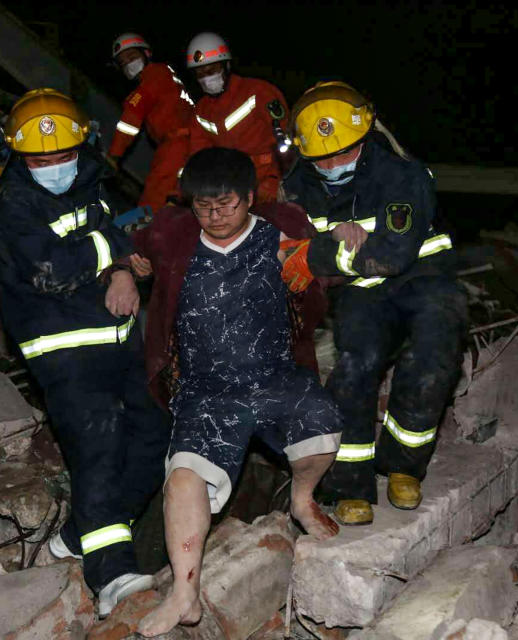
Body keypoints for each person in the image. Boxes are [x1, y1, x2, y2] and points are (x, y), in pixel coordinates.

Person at [127, 147, 342, 636]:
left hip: (276, 376)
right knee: (182, 480)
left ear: (250, 198)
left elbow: (331, 267)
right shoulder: (172, 232)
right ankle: (185, 595)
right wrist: (122, 271)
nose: (214, 216)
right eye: (203, 206)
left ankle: (302, 498)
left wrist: (340, 244)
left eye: (225, 205)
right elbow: (130, 248)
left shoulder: (282, 228)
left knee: (324, 430)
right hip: (207, 391)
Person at [0, 89, 170, 618]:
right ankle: (112, 574)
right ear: (19, 155)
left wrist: (125, 270)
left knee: (156, 433)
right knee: (100, 446)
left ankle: (79, 535)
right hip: (63, 352)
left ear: (81, 148)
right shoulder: (10, 208)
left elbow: (105, 239)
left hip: (117, 338)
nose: (55, 166)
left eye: (63, 155)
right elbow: (52, 270)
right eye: (41, 159)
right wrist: (120, 253)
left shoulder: (91, 186)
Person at [279, 82, 468, 523]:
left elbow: (391, 255)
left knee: (433, 355)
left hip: (425, 280)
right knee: (355, 365)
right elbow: (284, 253)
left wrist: (322, 252)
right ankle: (350, 484)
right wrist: (327, 245)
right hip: (361, 292)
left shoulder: (402, 175)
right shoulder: (298, 187)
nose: (332, 164)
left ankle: (404, 467)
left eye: (342, 152)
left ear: (364, 138)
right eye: (321, 157)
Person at [185, 32, 289, 203]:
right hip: (234, 188)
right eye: (200, 74)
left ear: (226, 65)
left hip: (272, 181)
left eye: (212, 70)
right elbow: (199, 158)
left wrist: (281, 181)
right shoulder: (201, 112)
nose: (206, 78)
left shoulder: (258, 92)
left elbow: (286, 136)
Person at [108, 33, 196, 214]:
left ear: (147, 54)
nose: (129, 64)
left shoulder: (153, 76)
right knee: (173, 203)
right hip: (192, 145)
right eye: (123, 63)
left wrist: (113, 156)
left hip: (176, 147)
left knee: (151, 204)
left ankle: (133, 238)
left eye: (132, 57)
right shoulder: (168, 76)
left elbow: (131, 118)